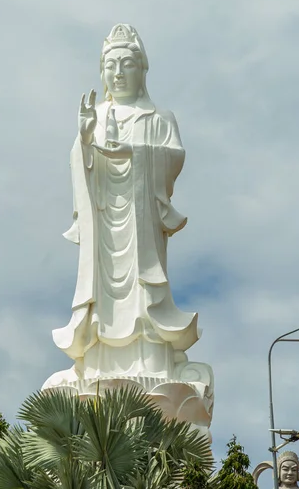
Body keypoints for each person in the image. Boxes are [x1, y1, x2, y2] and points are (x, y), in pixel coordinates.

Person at [52, 24, 200, 382]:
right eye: (110, 65)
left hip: (140, 222)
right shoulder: (97, 117)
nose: (118, 73)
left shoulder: (159, 118)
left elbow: (174, 158)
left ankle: (150, 353)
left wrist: (134, 152)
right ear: (102, 71)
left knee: (141, 290)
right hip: (103, 221)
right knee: (100, 291)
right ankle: (98, 352)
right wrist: (86, 140)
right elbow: (80, 164)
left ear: (142, 69)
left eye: (126, 64)